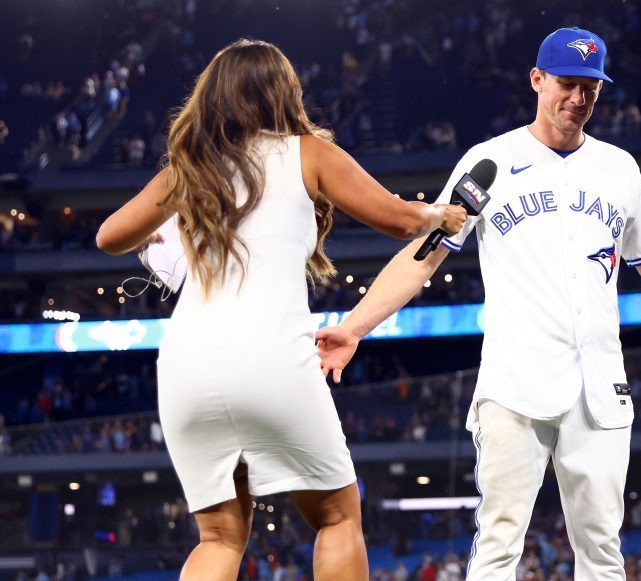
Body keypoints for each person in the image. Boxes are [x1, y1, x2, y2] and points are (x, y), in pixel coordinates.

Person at [316, 28, 641, 580]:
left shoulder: (619, 169)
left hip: (600, 387)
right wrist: (355, 327)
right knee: (498, 547)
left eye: (590, 88)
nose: (578, 99)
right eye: (566, 84)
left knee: (603, 552)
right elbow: (426, 254)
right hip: (514, 385)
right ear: (536, 80)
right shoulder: (489, 162)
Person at [95, 39, 466, 581]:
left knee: (219, 537)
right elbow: (399, 221)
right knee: (337, 518)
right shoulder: (305, 152)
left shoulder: (188, 169)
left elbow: (109, 237)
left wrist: (173, 211)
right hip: (268, 356)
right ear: (282, 94)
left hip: (183, 369)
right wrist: (439, 214)